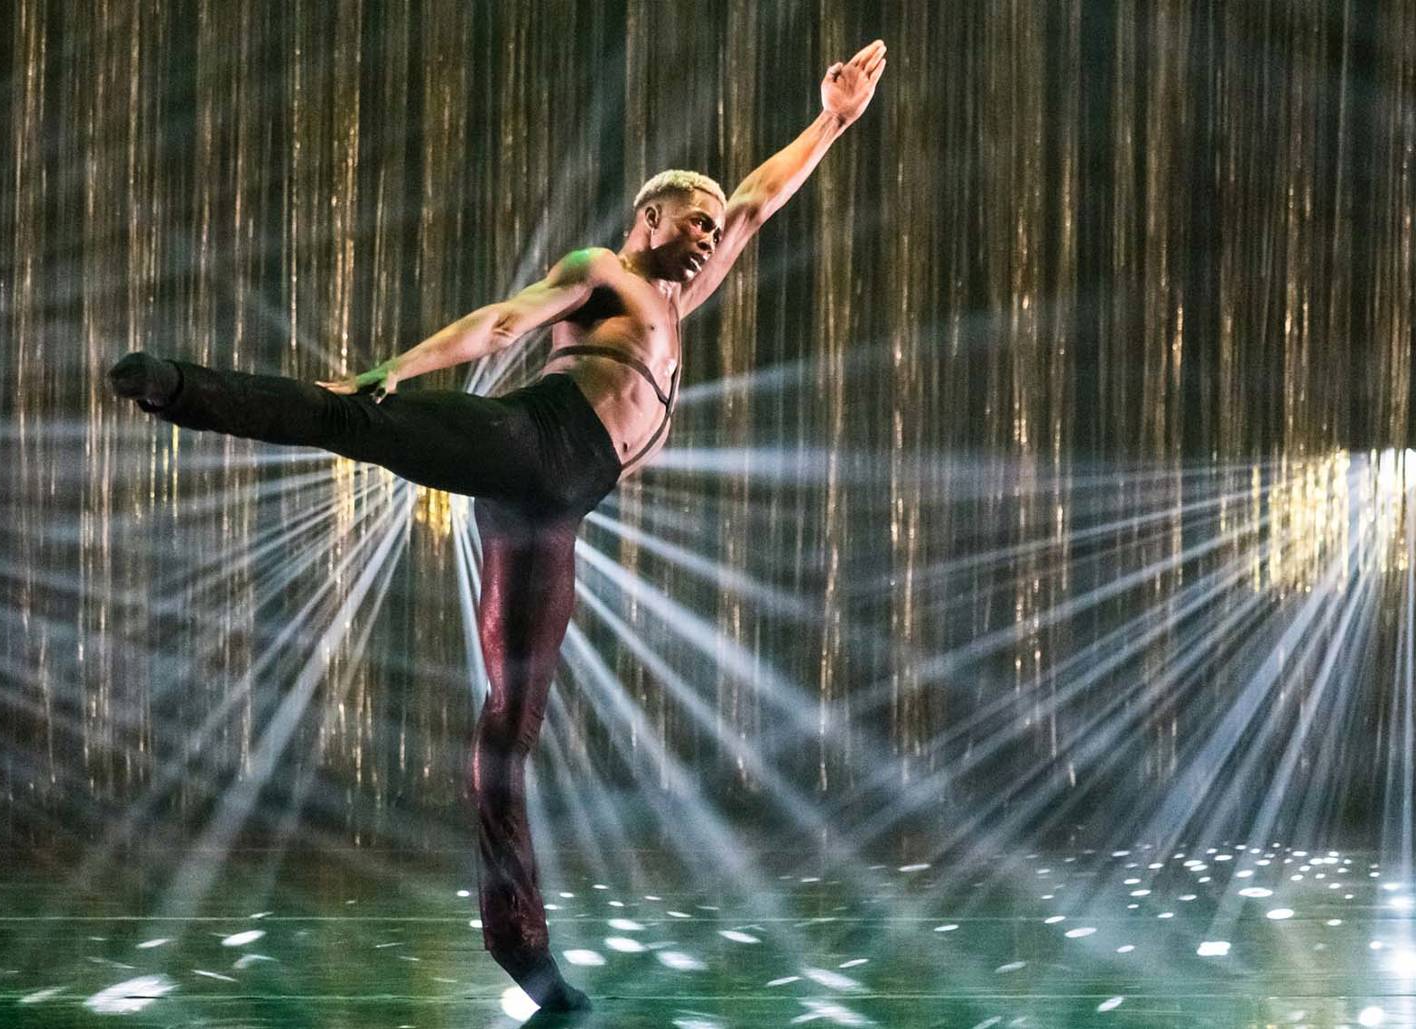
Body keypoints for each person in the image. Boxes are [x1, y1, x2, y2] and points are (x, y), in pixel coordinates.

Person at [107, 40, 887, 1013]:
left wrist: (834, 121)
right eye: (692, 220)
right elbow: (509, 322)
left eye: (710, 228)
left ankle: (527, 955)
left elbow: (761, 201)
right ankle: (180, 388)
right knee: (360, 417)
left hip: (553, 513)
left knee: (510, 728)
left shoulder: (684, 299)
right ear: (650, 219)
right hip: (528, 444)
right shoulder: (607, 270)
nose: (706, 235)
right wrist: (399, 367)